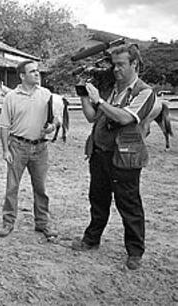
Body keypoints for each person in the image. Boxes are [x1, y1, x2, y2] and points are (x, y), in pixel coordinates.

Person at [71, 44, 155, 270]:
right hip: (100, 154)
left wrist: (99, 100)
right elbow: (91, 117)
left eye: (121, 65)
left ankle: (135, 251)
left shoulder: (144, 91)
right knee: (97, 199)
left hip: (125, 157)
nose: (115, 69)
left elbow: (125, 118)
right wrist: (84, 94)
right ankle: (91, 239)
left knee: (128, 204)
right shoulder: (111, 89)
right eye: (114, 65)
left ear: (134, 64)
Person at [0, 60, 59, 239]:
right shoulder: (11, 97)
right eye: (32, 72)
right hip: (17, 146)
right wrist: (5, 150)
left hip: (40, 147)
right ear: (22, 76)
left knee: (40, 187)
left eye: (37, 71)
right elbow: (4, 126)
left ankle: (42, 223)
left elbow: (55, 119)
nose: (37, 74)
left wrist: (52, 127)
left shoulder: (46, 94)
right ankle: (8, 222)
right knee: (12, 187)